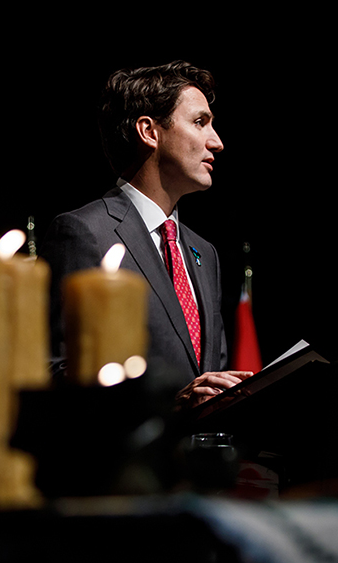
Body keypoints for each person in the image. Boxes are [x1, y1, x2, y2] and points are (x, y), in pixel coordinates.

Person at [40, 60, 253, 410]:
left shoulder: (204, 253)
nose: (217, 142)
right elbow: (56, 370)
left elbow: (209, 373)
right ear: (149, 132)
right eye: (200, 122)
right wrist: (170, 403)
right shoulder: (83, 233)